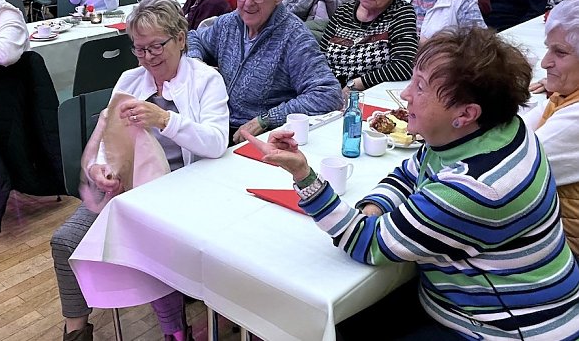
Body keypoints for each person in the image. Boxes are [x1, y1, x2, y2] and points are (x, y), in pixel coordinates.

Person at [244, 27, 579, 340]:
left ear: (465, 114)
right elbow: (410, 172)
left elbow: (365, 243)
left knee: (331, 319)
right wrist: (373, 208)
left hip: (504, 328)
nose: (405, 94)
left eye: (420, 87)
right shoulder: (500, 130)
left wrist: (304, 175)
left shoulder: (476, 187)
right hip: (483, 302)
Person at [52, 0, 229, 341]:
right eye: (140, 49)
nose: (148, 57)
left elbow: (216, 142)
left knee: (147, 238)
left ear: (181, 38)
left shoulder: (206, 80)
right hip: (129, 190)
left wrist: (165, 119)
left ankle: (174, 331)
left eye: (156, 46)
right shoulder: (130, 81)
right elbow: (107, 141)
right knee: (65, 241)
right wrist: (102, 169)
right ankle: (76, 333)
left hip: (184, 189)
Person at [187, 0, 343, 144]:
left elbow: (328, 94)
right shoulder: (229, 23)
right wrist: (197, 62)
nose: (248, 2)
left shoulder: (294, 37)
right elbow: (194, 37)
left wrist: (267, 119)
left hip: (258, 140)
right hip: (214, 123)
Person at [523, 0, 579, 256]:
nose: (545, 63)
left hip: (564, 253)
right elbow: (515, 131)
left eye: (560, 52)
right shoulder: (565, 94)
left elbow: (510, 169)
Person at [319, 0, 418, 96]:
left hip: (368, 96)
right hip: (327, 91)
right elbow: (319, 57)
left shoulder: (401, 13)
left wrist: (355, 85)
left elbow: (402, 66)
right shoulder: (343, 12)